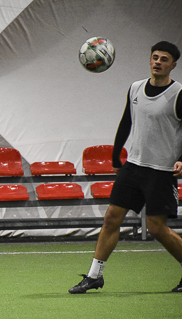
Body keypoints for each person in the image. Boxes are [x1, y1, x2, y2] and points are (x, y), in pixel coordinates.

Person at [69, 41, 182, 294]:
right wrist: (115, 156)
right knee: (111, 217)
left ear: (173, 65)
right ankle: (94, 276)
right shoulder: (135, 88)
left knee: (156, 228)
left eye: (164, 59)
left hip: (161, 170)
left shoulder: (178, 94)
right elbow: (126, 122)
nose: (158, 62)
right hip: (134, 166)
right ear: (150, 59)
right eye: (155, 57)